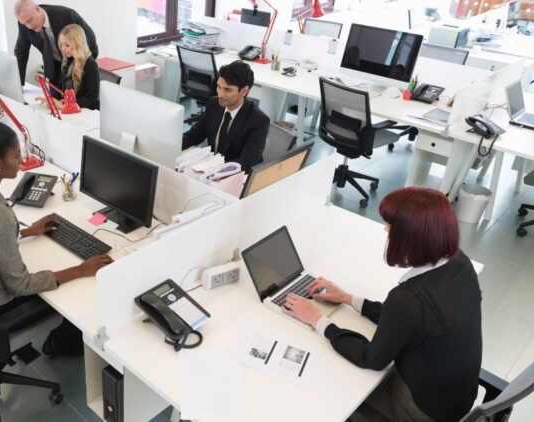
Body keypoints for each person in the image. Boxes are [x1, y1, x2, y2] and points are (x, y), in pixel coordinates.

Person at [282, 187, 482, 421]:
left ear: (412, 237)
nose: (386, 229)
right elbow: (405, 320)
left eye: (392, 225)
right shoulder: (460, 263)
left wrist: (318, 320)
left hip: (419, 411)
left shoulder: (408, 299)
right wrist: (348, 298)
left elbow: (371, 359)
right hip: (455, 397)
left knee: (331, 388)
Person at [0, 120, 113, 355]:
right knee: (78, 298)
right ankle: (56, 346)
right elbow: (21, 285)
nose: (22, 160)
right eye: (16, 155)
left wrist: (28, 231)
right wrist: (81, 269)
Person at [182, 60, 269, 173]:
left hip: (236, 175)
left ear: (244, 91)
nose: (220, 94)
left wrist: (214, 170)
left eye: (227, 89)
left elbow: (247, 162)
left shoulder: (258, 121)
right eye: (219, 87)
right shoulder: (214, 104)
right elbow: (195, 135)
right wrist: (173, 144)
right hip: (210, 169)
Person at [13, 0, 98, 89]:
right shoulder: (24, 24)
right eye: (24, 23)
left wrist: (84, 69)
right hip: (54, 67)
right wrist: (18, 85)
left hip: (75, 64)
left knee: (75, 99)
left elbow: (90, 42)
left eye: (30, 20)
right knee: (53, 100)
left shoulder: (67, 15)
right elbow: (21, 52)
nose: (29, 26)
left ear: (38, 9)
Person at [36, 23, 100, 110]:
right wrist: (52, 100)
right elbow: (61, 89)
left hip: (85, 113)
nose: (62, 48)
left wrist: (64, 104)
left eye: (67, 45)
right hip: (71, 110)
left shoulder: (90, 65)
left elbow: (91, 100)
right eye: (61, 45)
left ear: (78, 44)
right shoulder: (68, 61)